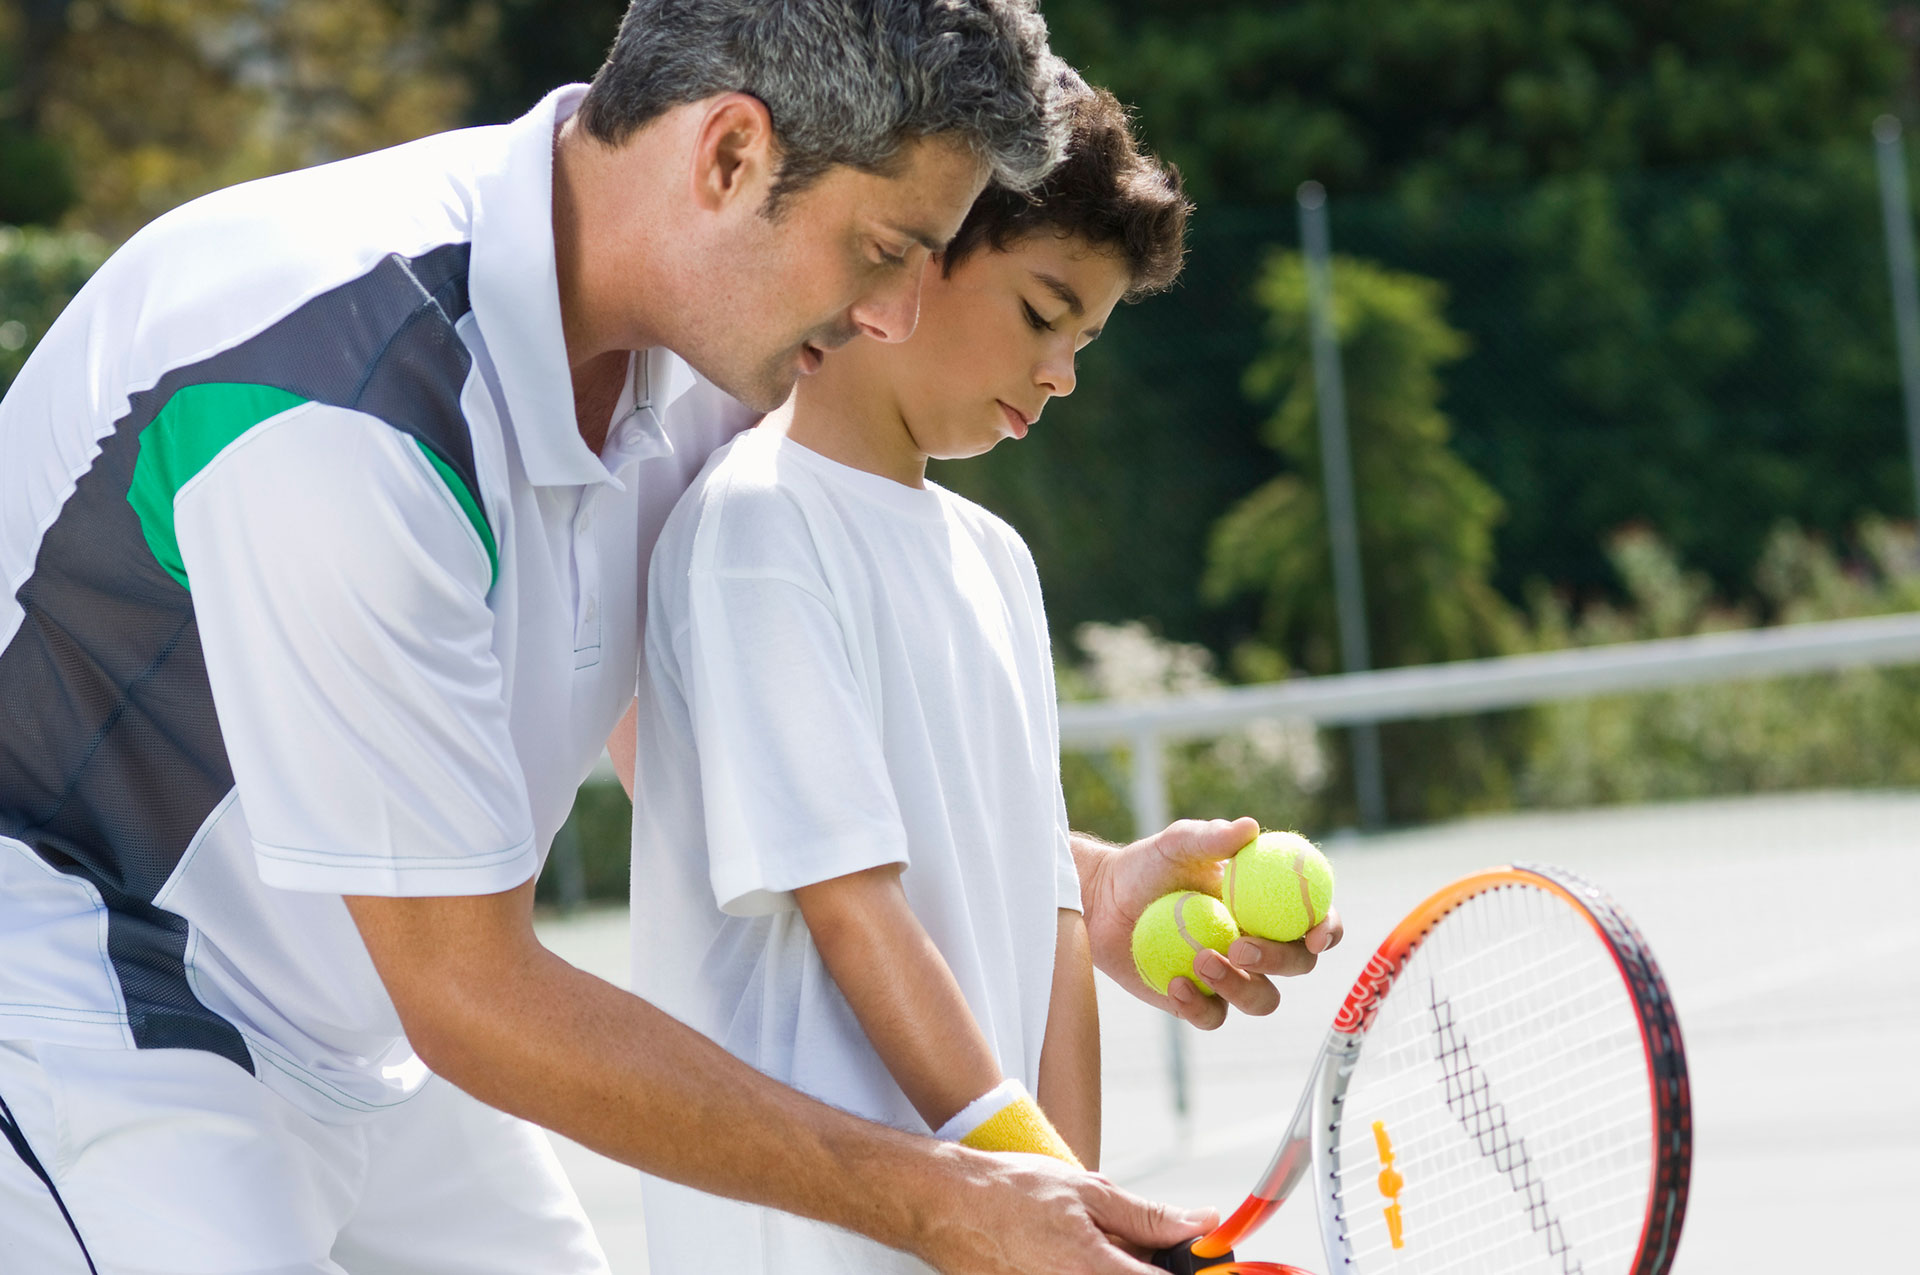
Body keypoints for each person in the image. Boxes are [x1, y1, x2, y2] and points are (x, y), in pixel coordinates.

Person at [0, 3, 1331, 1273]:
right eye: (880, 252)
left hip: (368, 1006)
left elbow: (701, 748)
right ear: (732, 153)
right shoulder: (338, 404)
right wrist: (954, 1194)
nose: (892, 317)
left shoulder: (696, 329)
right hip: (86, 992)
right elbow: (470, 990)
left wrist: (1076, 880)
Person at [624, 67, 1214, 1274]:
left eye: (1085, 341)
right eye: (1044, 314)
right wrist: (1024, 1170)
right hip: (812, 1244)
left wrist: (1073, 1205)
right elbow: (854, 909)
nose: (1061, 375)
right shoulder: (759, 528)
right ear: (921, 250)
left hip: (988, 1231)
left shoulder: (997, 559)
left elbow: (1054, 924)